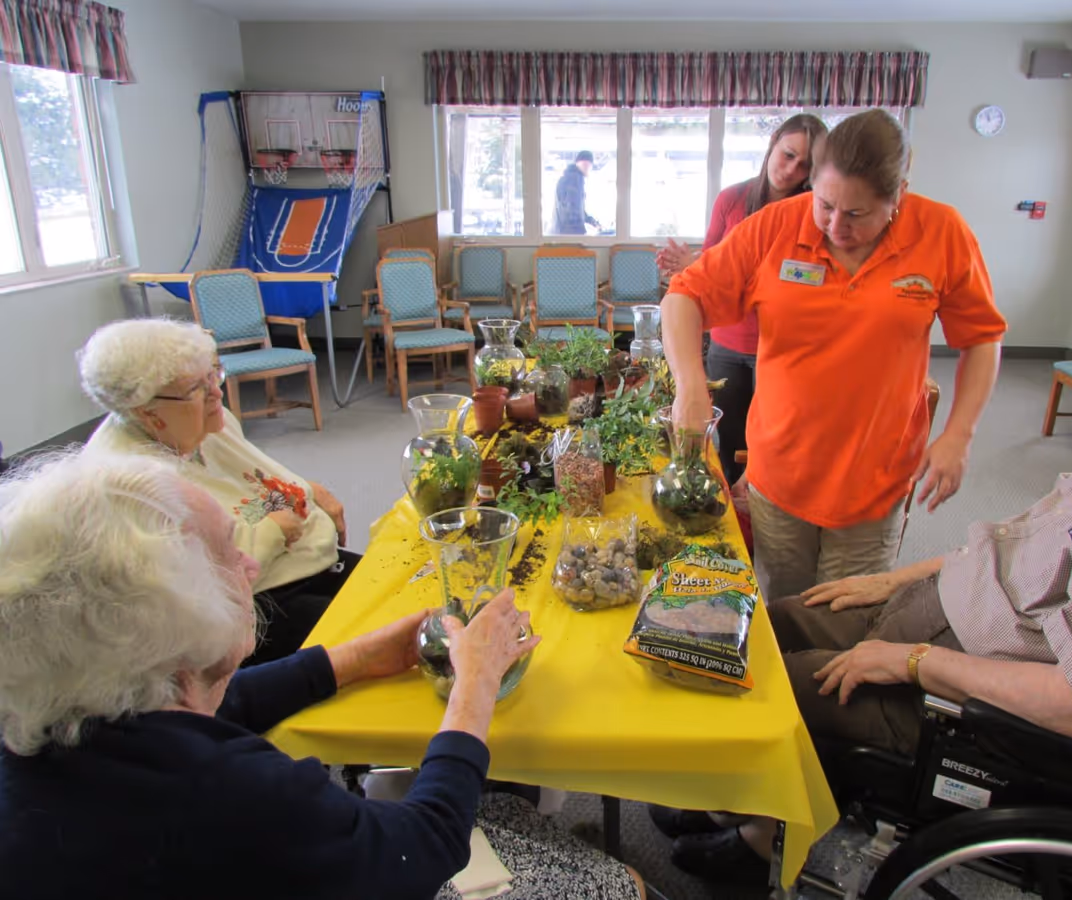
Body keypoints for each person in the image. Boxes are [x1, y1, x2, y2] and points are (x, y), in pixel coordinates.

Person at [658, 305, 1072, 884]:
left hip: (968, 700)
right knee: (763, 626)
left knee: (762, 689)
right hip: (940, 608)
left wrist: (913, 662)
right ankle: (734, 792)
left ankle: (759, 840)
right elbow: (1014, 544)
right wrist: (896, 579)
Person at [0, 450, 645, 900]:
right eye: (228, 558)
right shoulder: (234, 793)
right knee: (623, 887)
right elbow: (419, 850)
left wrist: (358, 657)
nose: (250, 568)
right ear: (167, 620)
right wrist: (475, 685)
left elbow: (227, 705)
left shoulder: (68, 713)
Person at [662, 109, 1007, 603]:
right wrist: (690, 385)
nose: (835, 225)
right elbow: (684, 295)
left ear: (899, 196)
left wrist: (960, 434)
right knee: (783, 612)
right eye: (824, 205)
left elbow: (982, 339)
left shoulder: (942, 232)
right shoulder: (776, 227)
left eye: (857, 214)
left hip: (874, 482)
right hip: (781, 472)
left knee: (845, 623)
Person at [77, 318, 353, 665]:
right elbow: (197, 590)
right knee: (386, 633)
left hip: (304, 562)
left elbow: (258, 488)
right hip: (246, 612)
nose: (216, 393)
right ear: (146, 412)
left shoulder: (203, 423)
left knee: (409, 586)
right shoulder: (126, 481)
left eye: (214, 375)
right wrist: (274, 527)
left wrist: (306, 490)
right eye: (198, 387)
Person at [657, 114, 828, 483]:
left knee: (773, 449)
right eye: (787, 154)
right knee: (729, 441)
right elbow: (712, 267)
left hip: (778, 348)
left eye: (805, 165)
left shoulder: (816, 215)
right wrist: (689, 267)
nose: (791, 169)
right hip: (728, 344)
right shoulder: (732, 199)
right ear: (773, 144)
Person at [552, 150, 601, 235]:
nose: (588, 169)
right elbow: (572, 210)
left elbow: (576, 208)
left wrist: (591, 221)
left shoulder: (568, 177)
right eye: (588, 165)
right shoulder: (574, 179)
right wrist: (581, 232)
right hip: (568, 235)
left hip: (561, 233)